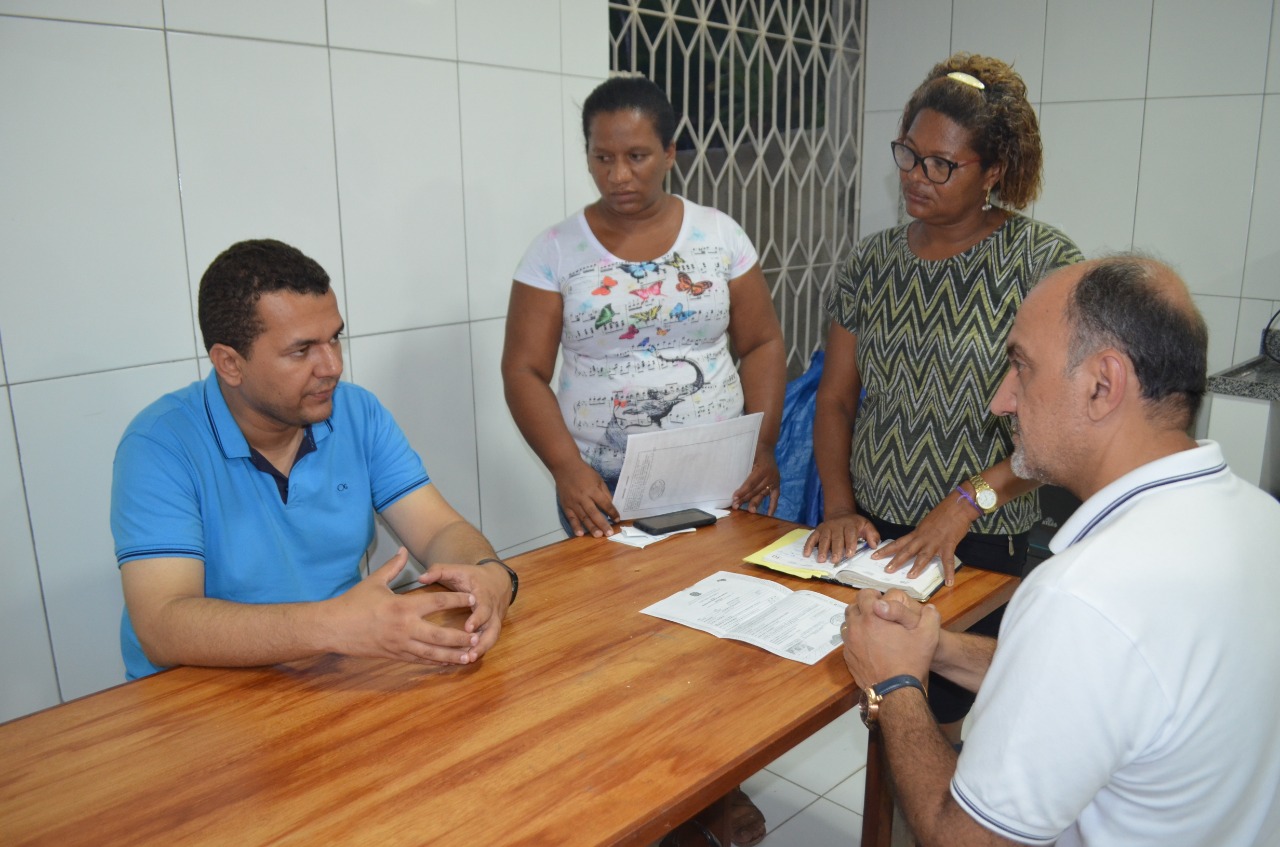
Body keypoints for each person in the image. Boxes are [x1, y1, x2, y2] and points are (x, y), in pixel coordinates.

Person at [841, 256, 1280, 846]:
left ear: (1103, 385)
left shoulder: (1083, 596)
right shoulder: (1260, 519)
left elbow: (963, 840)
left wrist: (894, 685)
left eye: (1021, 367)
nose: (1003, 401)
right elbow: (1094, 687)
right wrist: (935, 649)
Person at [805, 53, 1083, 730]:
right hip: (875, 531)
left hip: (979, 538)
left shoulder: (1044, 263)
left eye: (941, 164)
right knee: (884, 703)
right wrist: (840, 506)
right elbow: (837, 398)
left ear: (994, 172)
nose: (915, 177)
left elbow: (1061, 427)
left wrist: (962, 505)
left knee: (958, 720)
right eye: (909, 154)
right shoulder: (870, 262)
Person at [111, 239, 516, 680]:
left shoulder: (356, 412)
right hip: (200, 697)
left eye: (334, 339)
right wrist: (332, 626)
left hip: (336, 672)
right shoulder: (160, 443)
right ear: (229, 363)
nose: (332, 366)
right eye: (301, 351)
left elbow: (439, 528)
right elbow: (162, 625)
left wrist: (487, 571)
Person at [502, 75, 786, 540]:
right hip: (603, 485)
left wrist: (765, 445)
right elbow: (523, 371)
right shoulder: (554, 251)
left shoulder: (719, 235)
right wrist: (566, 468)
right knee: (621, 608)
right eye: (602, 158)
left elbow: (762, 343)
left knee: (720, 601)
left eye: (636, 157)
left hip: (722, 474)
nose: (618, 175)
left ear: (669, 152)